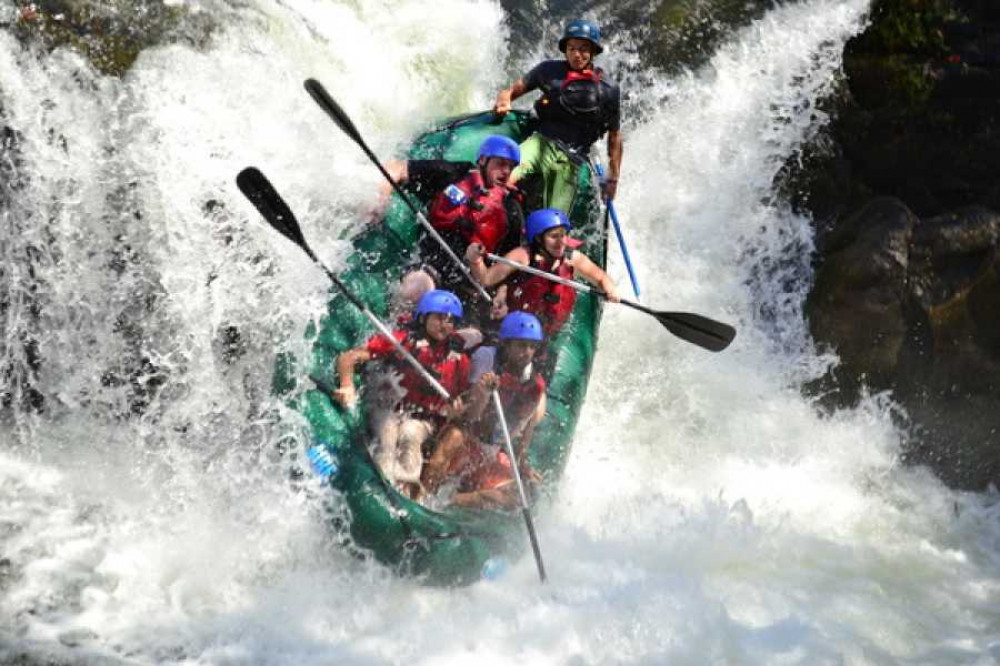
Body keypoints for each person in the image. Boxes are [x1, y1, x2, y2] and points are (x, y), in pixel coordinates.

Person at [331, 290, 471, 499]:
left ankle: (406, 492)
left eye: (451, 320)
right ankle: (382, 483)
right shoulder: (400, 342)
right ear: (423, 317)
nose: (445, 324)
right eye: (439, 318)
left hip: (423, 420)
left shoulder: (459, 361)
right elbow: (348, 358)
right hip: (388, 408)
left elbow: (460, 407)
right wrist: (347, 386)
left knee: (410, 433)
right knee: (387, 432)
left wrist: (455, 411)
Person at [493, 19, 623, 212]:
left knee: (554, 224)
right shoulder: (548, 70)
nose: (576, 55)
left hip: (572, 159)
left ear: (593, 52)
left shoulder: (609, 89)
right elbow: (512, 90)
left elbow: (615, 137)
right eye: (571, 48)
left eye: (583, 49)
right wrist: (504, 99)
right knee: (505, 175)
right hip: (541, 142)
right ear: (565, 49)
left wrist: (613, 177)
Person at [421, 312, 548, 509]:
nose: (527, 352)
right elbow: (470, 416)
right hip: (466, 437)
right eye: (521, 345)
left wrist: (522, 461)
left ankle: (450, 501)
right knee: (454, 435)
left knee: (515, 497)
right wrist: (484, 392)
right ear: (506, 344)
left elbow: (524, 425)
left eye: (532, 347)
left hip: (491, 450)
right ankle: (424, 497)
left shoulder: (533, 383)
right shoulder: (486, 358)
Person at [465, 208, 620, 340]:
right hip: (519, 330)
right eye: (554, 236)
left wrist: (610, 289)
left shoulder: (572, 258)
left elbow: (600, 277)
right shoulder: (523, 256)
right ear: (539, 239)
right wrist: (475, 261)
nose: (560, 242)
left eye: (563, 235)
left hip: (551, 333)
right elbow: (486, 278)